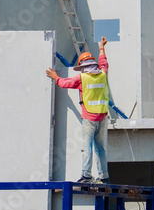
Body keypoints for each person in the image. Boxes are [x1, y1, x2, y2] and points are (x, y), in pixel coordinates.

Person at [46, 37, 110, 184]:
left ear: (82, 66)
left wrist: (56, 77)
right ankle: (104, 176)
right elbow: (104, 62)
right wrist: (102, 48)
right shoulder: (102, 74)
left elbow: (64, 83)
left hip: (89, 117)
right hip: (102, 116)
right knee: (100, 148)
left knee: (86, 147)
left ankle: (86, 175)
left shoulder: (82, 78)